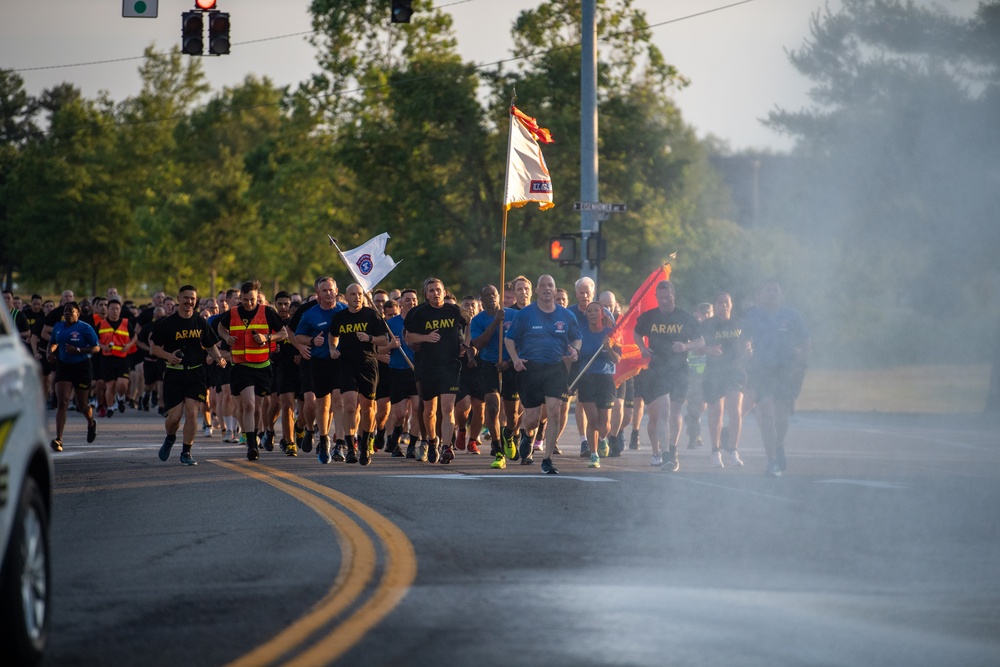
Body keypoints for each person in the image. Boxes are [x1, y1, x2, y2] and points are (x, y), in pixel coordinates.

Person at [504, 274, 582, 475]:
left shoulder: (566, 316)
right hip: (530, 369)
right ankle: (527, 436)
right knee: (532, 418)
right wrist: (515, 359)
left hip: (555, 368)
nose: (547, 289)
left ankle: (547, 459)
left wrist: (574, 350)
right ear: (537, 290)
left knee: (555, 411)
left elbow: (576, 338)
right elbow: (509, 339)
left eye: (551, 285)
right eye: (543, 286)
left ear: (555, 290)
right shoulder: (525, 314)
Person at [151, 285, 228, 466]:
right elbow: (154, 347)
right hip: (174, 375)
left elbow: (210, 344)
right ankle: (170, 438)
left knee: (192, 413)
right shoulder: (168, 323)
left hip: (196, 373)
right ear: (178, 299)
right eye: (186, 298)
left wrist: (218, 359)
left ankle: (186, 452)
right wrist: (169, 356)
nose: (189, 302)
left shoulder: (200, 322)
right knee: (174, 418)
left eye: (192, 298)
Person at [633, 280, 704, 472]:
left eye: (668, 297)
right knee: (663, 412)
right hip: (658, 368)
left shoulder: (684, 317)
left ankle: (673, 449)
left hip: (679, 369)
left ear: (674, 295)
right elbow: (636, 332)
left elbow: (700, 340)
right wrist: (642, 348)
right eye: (661, 298)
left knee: (675, 412)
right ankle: (665, 455)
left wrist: (685, 346)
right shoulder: (650, 317)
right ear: (656, 297)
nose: (665, 301)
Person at [217, 279, 289, 461]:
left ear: (258, 297)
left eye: (253, 299)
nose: (250, 303)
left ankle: (255, 435)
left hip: (262, 366)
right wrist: (227, 337)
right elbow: (220, 327)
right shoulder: (233, 312)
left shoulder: (267, 312)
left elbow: (284, 333)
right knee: (248, 404)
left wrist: (267, 337)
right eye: (246, 299)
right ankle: (251, 444)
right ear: (240, 297)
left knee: (257, 408)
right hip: (241, 366)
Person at [743, 280, 809, 477]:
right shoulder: (752, 316)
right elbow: (743, 339)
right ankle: (771, 460)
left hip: (786, 370)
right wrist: (746, 352)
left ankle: (778, 446)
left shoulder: (792, 315)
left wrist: (802, 365)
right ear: (760, 295)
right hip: (762, 370)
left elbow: (805, 340)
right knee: (767, 415)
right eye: (767, 290)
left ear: (781, 294)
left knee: (781, 416)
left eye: (775, 290)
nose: (772, 294)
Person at [404, 277, 467, 464]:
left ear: (444, 291)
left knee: (447, 408)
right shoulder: (419, 313)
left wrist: (467, 345)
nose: (435, 293)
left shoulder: (454, 310)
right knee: (430, 410)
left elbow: (469, 322)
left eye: (438, 290)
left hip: (450, 365)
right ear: (426, 294)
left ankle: (446, 446)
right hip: (427, 365)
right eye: (431, 290)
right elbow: (409, 336)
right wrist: (425, 337)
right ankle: (432, 441)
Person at [328, 283, 389, 465]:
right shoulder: (340, 316)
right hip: (347, 364)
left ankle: (365, 443)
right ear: (346, 297)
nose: (357, 297)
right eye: (353, 294)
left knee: (368, 408)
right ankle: (351, 446)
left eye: (360, 294)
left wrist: (369, 338)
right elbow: (333, 335)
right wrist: (332, 348)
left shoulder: (371, 315)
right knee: (349, 406)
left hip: (368, 364)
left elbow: (384, 339)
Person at [293, 277, 346, 460]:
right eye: (325, 291)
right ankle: (323, 439)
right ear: (318, 294)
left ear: (336, 290)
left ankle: (340, 443)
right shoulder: (310, 314)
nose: (329, 294)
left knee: (339, 402)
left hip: (339, 362)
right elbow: (299, 337)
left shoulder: (344, 311)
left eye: (331, 290)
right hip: (318, 362)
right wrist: (312, 341)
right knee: (322, 405)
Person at [470, 284, 518, 469]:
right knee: (492, 406)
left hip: (510, 364)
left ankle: (508, 435)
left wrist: (509, 362)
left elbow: (522, 341)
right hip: (489, 365)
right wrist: (495, 322)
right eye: (487, 295)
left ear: (499, 296)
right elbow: (478, 343)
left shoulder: (513, 316)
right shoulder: (478, 320)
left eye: (494, 294)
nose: (491, 297)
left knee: (513, 415)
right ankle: (498, 450)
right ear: (482, 300)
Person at [701, 291, 750, 468]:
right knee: (716, 412)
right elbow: (696, 348)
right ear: (715, 305)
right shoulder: (707, 325)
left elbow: (748, 344)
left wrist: (749, 349)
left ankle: (733, 450)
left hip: (736, 372)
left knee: (735, 410)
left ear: (731, 304)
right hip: (714, 373)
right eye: (720, 302)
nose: (724, 305)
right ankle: (715, 451)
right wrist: (708, 350)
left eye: (727, 302)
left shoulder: (740, 324)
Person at [47, 302, 99, 452]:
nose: (67, 313)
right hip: (63, 366)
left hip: (82, 367)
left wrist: (78, 350)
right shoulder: (58, 326)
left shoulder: (85, 328)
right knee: (62, 401)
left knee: (82, 404)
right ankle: (59, 439)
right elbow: (53, 342)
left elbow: (96, 347)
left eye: (71, 311)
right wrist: (50, 353)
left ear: (78, 313)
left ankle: (91, 422)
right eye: (65, 311)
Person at [576, 301, 622, 469]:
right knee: (592, 419)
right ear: (586, 315)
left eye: (596, 310)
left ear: (602, 314)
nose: (593, 313)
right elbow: (576, 354)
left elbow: (617, 359)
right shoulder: (581, 334)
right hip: (586, 378)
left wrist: (609, 348)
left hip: (605, 378)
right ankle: (594, 455)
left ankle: (603, 439)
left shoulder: (611, 334)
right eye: (589, 311)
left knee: (604, 424)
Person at [97, 298, 137, 415]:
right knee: (110, 384)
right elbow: (95, 339)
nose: (115, 311)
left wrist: (128, 345)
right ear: (108, 310)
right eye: (112, 309)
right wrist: (102, 346)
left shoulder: (125, 323)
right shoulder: (101, 324)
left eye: (117, 309)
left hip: (123, 358)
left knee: (122, 384)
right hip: (107, 358)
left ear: (120, 310)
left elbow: (135, 336)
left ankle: (120, 397)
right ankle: (110, 408)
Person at [684, 302, 714, 450]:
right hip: (693, 372)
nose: (704, 317)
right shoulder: (693, 330)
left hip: (710, 372)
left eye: (708, 314)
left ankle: (691, 421)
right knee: (694, 405)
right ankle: (693, 437)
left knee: (703, 405)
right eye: (702, 314)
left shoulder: (714, 329)